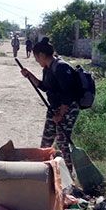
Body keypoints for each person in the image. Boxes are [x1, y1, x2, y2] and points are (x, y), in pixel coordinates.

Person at [19, 37, 80, 173]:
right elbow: (44, 87)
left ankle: (69, 174)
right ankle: (42, 170)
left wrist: (61, 114)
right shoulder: (48, 68)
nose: (36, 61)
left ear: (41, 55)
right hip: (54, 108)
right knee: (46, 140)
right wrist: (29, 75)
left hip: (68, 109)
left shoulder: (61, 67)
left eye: (36, 58)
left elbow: (69, 94)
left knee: (62, 141)